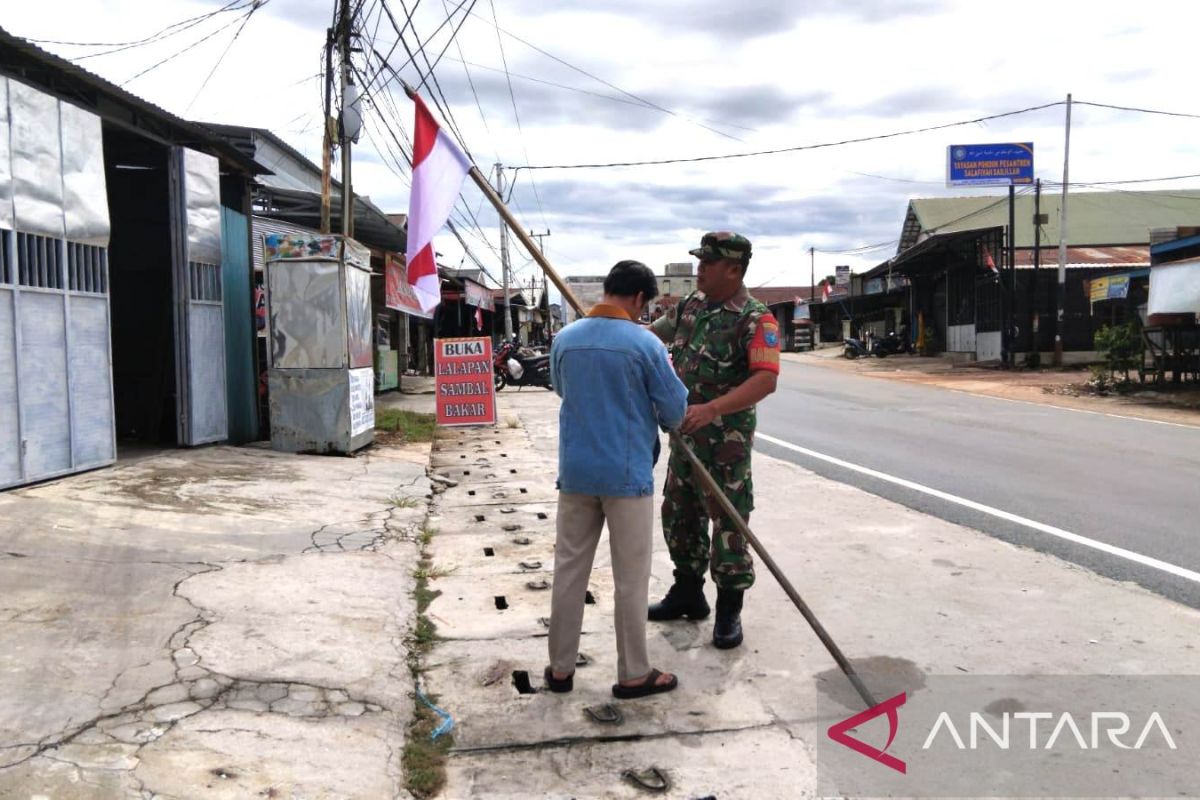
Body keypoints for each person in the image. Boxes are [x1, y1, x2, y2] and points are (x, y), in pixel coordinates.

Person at [545, 260, 689, 698]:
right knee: (631, 579)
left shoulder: (564, 340)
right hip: (627, 477)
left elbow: (560, 388)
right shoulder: (643, 344)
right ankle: (632, 673)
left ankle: (560, 670)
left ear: (608, 289)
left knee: (569, 570)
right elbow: (675, 411)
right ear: (641, 298)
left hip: (576, 473)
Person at [648, 232, 781, 649]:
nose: (700, 269)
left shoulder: (757, 319)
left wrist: (713, 409)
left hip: (726, 444)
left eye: (708, 262)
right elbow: (653, 337)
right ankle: (688, 593)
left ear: (734, 270)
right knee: (679, 514)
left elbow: (765, 379)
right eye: (700, 260)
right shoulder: (691, 307)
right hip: (685, 440)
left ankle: (729, 611)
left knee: (729, 525)